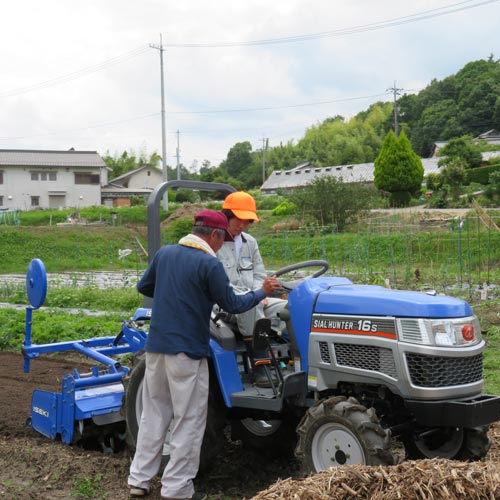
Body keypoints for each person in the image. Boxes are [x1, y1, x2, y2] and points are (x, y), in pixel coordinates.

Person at [127, 209, 281, 500]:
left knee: (154, 414)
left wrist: (174, 291)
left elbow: (144, 286)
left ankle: (139, 480)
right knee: (189, 420)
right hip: (186, 351)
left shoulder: (165, 254)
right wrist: (262, 291)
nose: (221, 246)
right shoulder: (208, 264)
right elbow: (234, 304)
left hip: (157, 349)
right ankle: (177, 489)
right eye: (221, 241)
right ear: (213, 235)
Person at [217, 191, 287, 386]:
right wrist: (255, 296)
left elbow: (259, 273)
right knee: (250, 306)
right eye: (238, 219)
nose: (242, 225)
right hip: (224, 305)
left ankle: (296, 360)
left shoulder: (250, 242)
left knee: (289, 308)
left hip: (255, 298)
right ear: (227, 216)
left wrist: (260, 292)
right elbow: (218, 283)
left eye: (246, 221)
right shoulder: (215, 243)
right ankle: (261, 366)